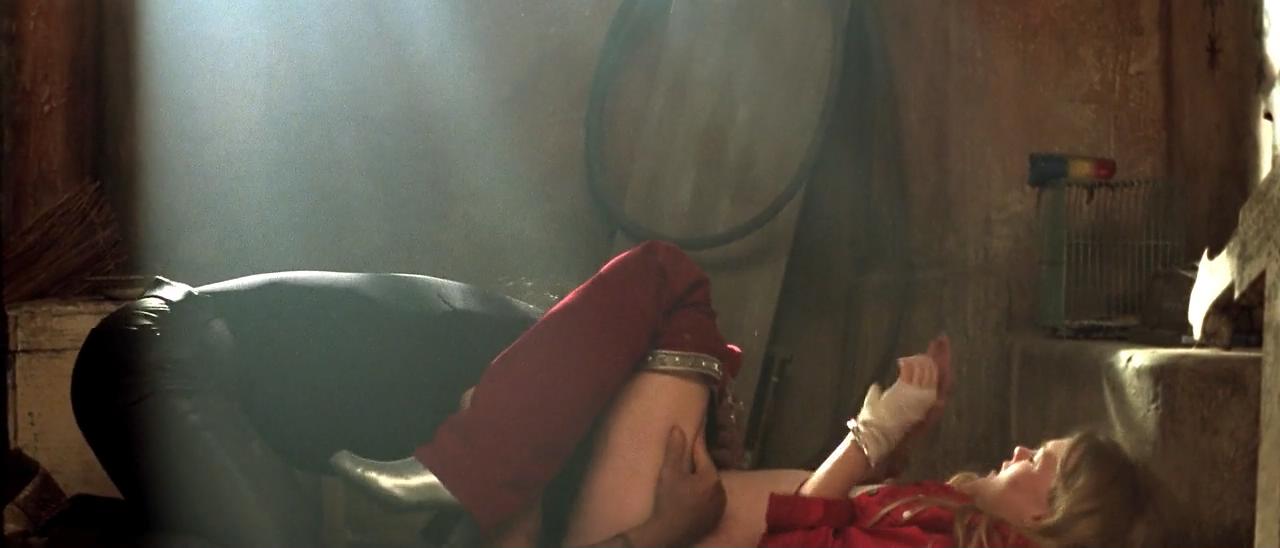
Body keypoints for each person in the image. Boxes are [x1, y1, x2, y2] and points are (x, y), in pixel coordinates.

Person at [71, 241, 739, 547]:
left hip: (180, 368)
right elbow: (657, 269)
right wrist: (657, 536)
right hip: (165, 348)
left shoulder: (532, 450)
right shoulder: (548, 380)